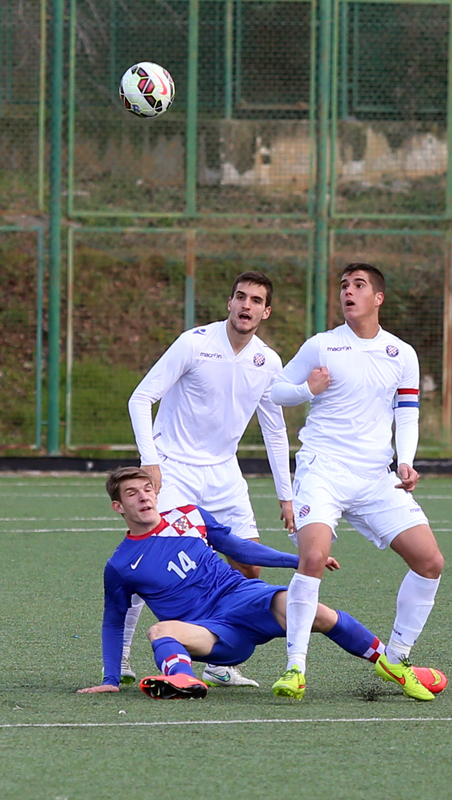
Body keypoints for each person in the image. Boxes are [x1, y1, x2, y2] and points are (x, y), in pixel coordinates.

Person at [78, 468, 446, 700]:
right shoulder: (120, 564)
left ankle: (394, 665)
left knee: (316, 612)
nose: (144, 496)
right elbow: (113, 621)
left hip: (244, 597)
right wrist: (111, 677)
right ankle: (184, 681)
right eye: (132, 493)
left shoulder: (188, 516)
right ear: (118, 507)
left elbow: (238, 548)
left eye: (147, 489)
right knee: (160, 631)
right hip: (211, 632)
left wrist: (298, 560)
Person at [269, 262, 445, 702]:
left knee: (430, 562)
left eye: (359, 285)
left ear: (377, 298)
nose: (348, 291)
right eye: (344, 285)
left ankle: (396, 658)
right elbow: (276, 390)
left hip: (375, 477)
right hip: (323, 470)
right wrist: (308, 390)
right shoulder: (322, 345)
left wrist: (406, 461)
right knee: (312, 557)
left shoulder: (401, 353)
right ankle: (295, 668)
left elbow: (407, 413)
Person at [125, 271, 294, 688]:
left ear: (266, 312)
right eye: (240, 297)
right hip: (174, 470)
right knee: (153, 567)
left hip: (224, 474)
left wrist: (286, 496)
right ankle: (122, 660)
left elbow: (274, 430)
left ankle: (218, 662)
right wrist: (151, 461)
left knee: (249, 568)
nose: (246, 305)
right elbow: (141, 398)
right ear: (229, 303)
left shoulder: (268, 362)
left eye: (256, 300)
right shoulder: (194, 343)